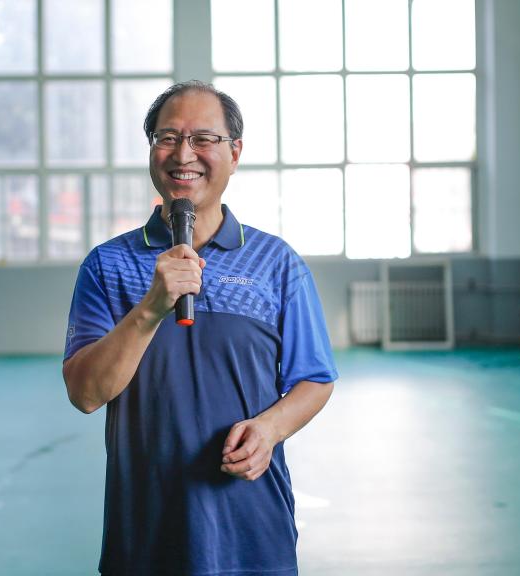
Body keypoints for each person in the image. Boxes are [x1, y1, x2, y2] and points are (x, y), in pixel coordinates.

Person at [63, 80, 338, 576]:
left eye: (203, 138)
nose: (183, 153)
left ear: (235, 153)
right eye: (167, 137)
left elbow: (315, 379)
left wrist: (270, 429)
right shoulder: (107, 266)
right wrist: (151, 307)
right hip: (147, 533)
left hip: (253, 528)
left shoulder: (276, 263)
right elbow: (85, 393)